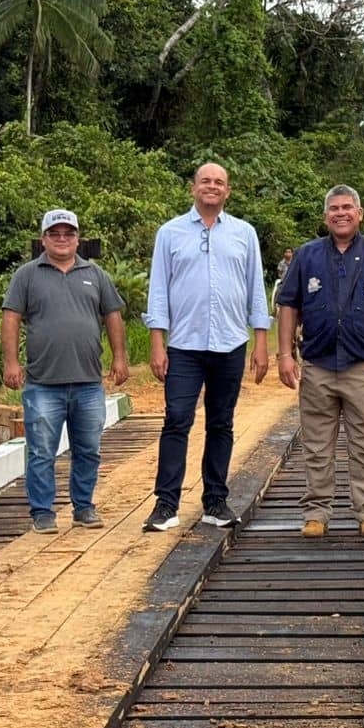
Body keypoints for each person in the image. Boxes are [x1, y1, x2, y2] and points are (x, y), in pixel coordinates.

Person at [275, 185, 364, 539]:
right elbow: (288, 305)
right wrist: (286, 355)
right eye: (334, 208)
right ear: (325, 217)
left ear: (360, 213)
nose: (341, 213)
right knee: (316, 445)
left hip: (362, 367)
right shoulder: (306, 256)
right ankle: (317, 513)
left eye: (347, 207)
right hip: (317, 365)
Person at [142, 162, 271, 532]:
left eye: (219, 182)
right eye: (205, 181)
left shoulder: (244, 234)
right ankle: (166, 504)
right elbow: (159, 289)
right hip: (184, 344)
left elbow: (254, 290)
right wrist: (157, 342)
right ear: (193, 188)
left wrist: (261, 342)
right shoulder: (171, 233)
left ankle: (216, 501)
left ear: (227, 191)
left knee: (221, 423)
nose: (212, 187)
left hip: (231, 343)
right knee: (176, 420)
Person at [1, 208, 130, 533]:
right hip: (43, 383)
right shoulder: (27, 275)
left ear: (77, 238)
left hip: (88, 381)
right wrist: (11, 362)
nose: (62, 240)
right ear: (44, 239)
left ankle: (83, 507)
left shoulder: (95, 274)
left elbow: (112, 315)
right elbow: (11, 317)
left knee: (88, 449)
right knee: (42, 451)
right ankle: (42, 512)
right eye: (54, 234)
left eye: (68, 234)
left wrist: (120, 356)